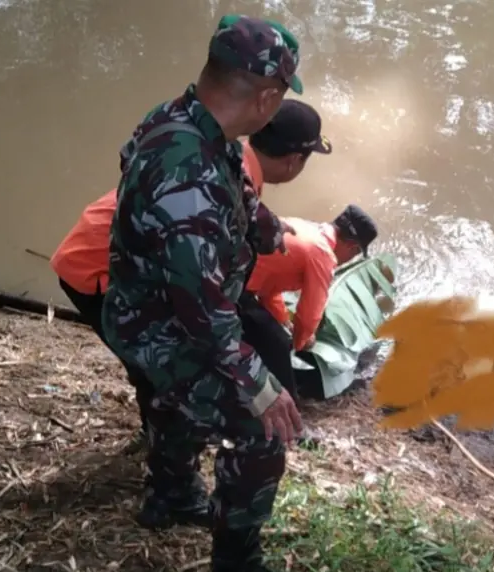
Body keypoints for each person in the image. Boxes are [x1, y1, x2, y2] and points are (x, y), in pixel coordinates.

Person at [101, 15, 305, 572]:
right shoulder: (188, 171)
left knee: (176, 406)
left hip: (145, 312)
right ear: (266, 98)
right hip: (164, 328)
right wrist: (258, 383)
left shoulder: (180, 119)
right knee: (260, 429)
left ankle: (170, 496)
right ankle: (236, 564)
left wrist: (266, 226)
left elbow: (231, 189)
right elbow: (204, 311)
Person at [49, 98, 331, 450]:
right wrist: (253, 378)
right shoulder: (230, 178)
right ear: (294, 162)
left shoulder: (232, 153)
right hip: (99, 269)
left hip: (108, 250)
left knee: (168, 364)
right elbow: (204, 299)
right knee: (160, 368)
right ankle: (163, 453)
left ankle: (161, 439)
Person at [242, 204, 378, 398]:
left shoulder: (307, 228)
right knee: (278, 345)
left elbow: (270, 285)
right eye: (354, 255)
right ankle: (286, 405)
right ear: (352, 247)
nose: (348, 260)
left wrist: (283, 320)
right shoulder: (322, 254)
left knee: (271, 331)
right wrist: (301, 342)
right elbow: (309, 315)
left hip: (234, 272)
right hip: (235, 287)